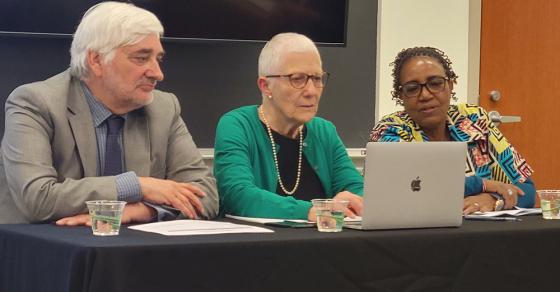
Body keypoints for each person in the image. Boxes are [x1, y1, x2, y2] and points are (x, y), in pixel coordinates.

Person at [0, 1, 218, 224]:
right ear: (96, 60)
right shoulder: (35, 103)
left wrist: (141, 211)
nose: (157, 73)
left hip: (130, 252)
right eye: (141, 58)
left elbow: (206, 195)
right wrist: (137, 186)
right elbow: (38, 199)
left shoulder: (163, 108)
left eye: (158, 59)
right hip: (43, 252)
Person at [213, 33, 363, 221]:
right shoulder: (237, 125)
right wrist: (312, 211)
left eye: (317, 78)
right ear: (265, 86)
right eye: (297, 79)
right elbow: (237, 196)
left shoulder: (325, 131)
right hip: (258, 246)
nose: (311, 91)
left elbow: (357, 189)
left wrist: (353, 201)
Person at [369, 46, 535, 214]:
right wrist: (483, 185)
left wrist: (493, 198)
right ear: (401, 96)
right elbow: (419, 188)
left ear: (450, 85)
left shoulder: (474, 120)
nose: (425, 95)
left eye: (435, 84)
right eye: (412, 88)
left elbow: (527, 190)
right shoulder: (390, 130)